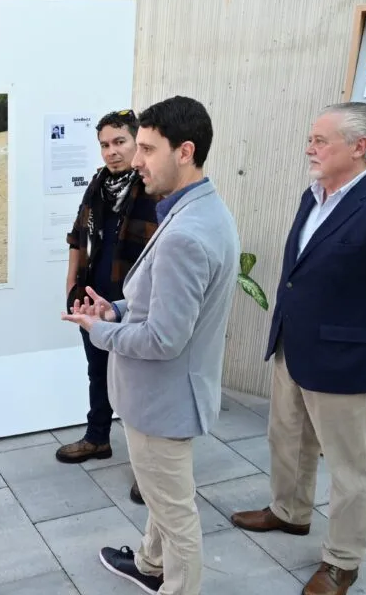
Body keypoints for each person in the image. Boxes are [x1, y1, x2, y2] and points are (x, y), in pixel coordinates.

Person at [230, 102, 366, 595]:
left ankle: (342, 561)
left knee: (349, 470)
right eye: (310, 139)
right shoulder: (312, 196)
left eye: (320, 140)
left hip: (349, 361)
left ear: (359, 147)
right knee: (288, 439)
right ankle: (289, 511)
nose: (309, 148)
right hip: (293, 346)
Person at [63, 96, 239, 595]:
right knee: (164, 499)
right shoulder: (200, 209)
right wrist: (117, 309)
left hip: (164, 400)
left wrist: (99, 330)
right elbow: (164, 304)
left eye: (146, 148)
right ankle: (150, 563)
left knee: (175, 510)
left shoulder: (186, 232)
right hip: (169, 395)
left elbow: (164, 339)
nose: (135, 160)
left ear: (184, 151)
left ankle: (176, 585)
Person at [56, 109, 162, 508]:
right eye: (104, 144)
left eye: (120, 142)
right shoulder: (100, 183)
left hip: (134, 297)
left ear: (137, 143)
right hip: (94, 292)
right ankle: (98, 437)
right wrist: (71, 282)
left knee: (138, 381)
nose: (111, 151)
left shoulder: (151, 188)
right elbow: (77, 235)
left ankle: (149, 470)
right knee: (96, 368)